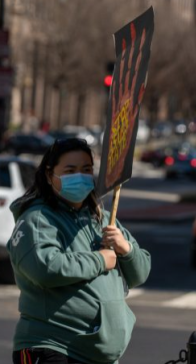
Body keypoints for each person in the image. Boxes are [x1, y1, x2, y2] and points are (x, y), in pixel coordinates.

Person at [7, 138, 151, 364]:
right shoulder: (37, 219)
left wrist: (126, 249)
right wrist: (99, 260)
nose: (80, 176)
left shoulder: (101, 217)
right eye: (70, 170)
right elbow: (45, 268)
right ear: (49, 174)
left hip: (97, 356)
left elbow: (140, 273)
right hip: (53, 348)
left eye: (86, 169)